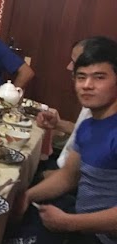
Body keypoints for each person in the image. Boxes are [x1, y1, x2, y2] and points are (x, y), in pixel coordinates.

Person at [7, 36, 117, 244]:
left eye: (99, 77)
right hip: (81, 223)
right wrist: (27, 196)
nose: (87, 85)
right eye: (81, 77)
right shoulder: (88, 125)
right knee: (4, 232)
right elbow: (68, 176)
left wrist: (68, 223)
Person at [36, 39, 92, 170]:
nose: (69, 67)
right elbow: (88, 133)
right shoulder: (91, 102)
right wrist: (58, 124)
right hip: (63, 164)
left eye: (74, 63)